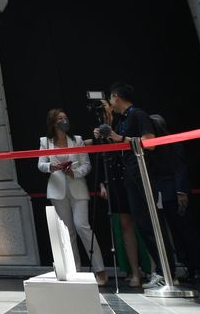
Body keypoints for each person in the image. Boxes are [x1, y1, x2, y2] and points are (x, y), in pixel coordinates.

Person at [95, 83, 174, 289]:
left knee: (151, 224)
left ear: (116, 97)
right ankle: (162, 273)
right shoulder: (122, 119)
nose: (110, 102)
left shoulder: (138, 115)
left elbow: (150, 142)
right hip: (130, 176)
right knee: (143, 224)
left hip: (143, 175)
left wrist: (119, 138)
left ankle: (168, 273)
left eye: (111, 98)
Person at [38, 109, 106, 285]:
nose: (64, 121)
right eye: (60, 118)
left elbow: (87, 165)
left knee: (82, 226)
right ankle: (75, 270)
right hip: (57, 190)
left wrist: (74, 173)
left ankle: (100, 270)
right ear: (53, 123)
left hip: (77, 187)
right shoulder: (45, 142)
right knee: (67, 232)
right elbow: (40, 164)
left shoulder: (76, 140)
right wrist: (50, 167)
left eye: (65, 118)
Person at [89, 97, 145, 287]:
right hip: (113, 178)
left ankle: (153, 269)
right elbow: (103, 156)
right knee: (124, 223)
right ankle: (133, 270)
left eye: (106, 104)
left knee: (143, 221)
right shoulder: (101, 128)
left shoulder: (124, 120)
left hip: (132, 173)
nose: (104, 108)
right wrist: (102, 184)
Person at [150, 114, 200, 286]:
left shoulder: (172, 142)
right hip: (162, 192)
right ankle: (189, 268)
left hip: (175, 192)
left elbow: (180, 168)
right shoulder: (154, 146)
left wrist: (181, 191)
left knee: (187, 231)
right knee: (176, 233)